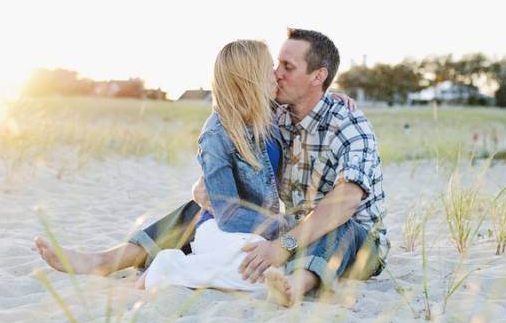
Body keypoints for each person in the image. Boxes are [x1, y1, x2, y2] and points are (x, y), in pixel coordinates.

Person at [35, 28, 388, 306]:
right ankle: (109, 260)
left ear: (318, 77)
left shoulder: (348, 125)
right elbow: (233, 139)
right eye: (275, 64)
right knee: (198, 208)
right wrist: (204, 189)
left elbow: (345, 202)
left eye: (287, 67)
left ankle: (296, 285)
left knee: (337, 225)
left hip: (355, 238)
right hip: (285, 227)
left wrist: (285, 243)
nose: (276, 74)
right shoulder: (276, 112)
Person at [136, 39, 286, 291]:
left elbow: (310, 103)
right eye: (269, 68)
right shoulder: (216, 135)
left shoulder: (270, 116)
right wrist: (286, 227)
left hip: (260, 231)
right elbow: (228, 216)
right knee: (261, 271)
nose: (277, 75)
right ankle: (170, 267)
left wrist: (335, 99)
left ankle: (190, 266)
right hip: (219, 230)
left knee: (273, 262)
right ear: (252, 76)